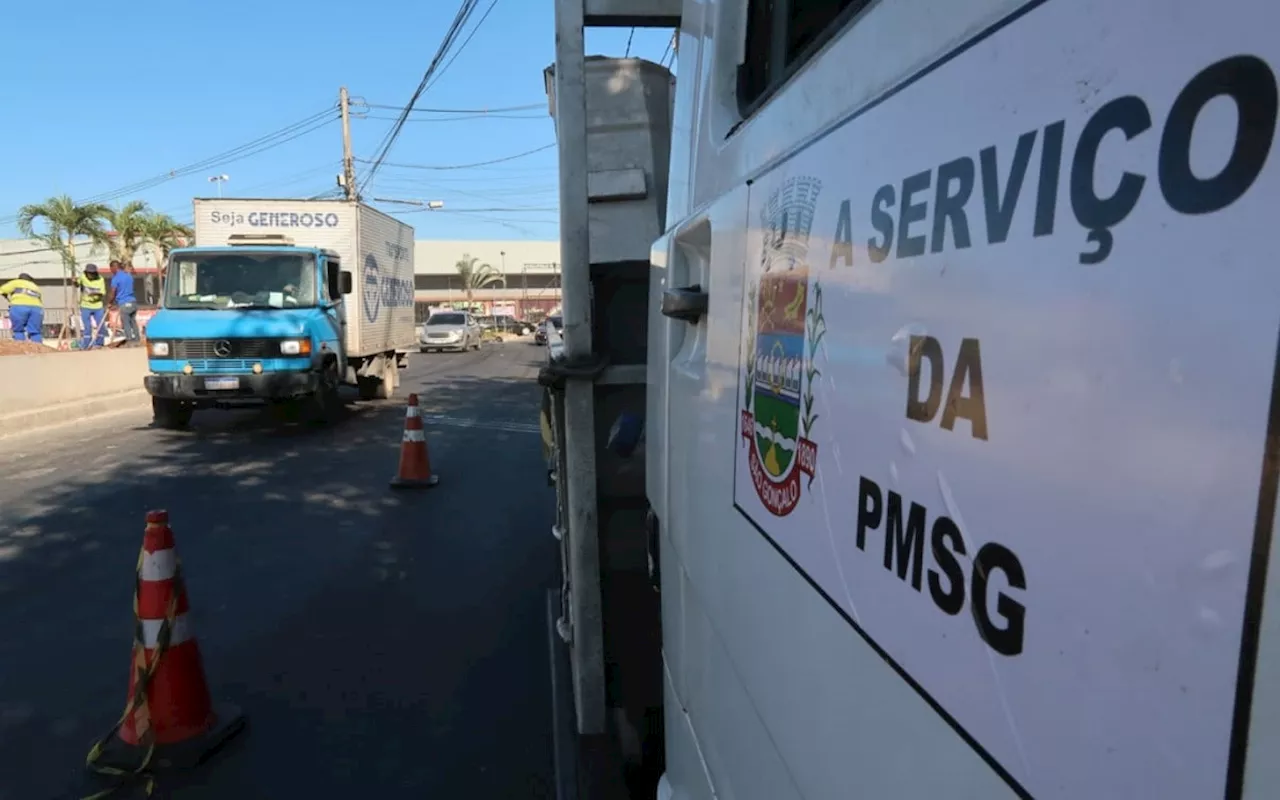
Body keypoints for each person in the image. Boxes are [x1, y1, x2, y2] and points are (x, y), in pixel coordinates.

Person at [0, 272, 45, 343]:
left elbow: (2, 290)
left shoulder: (15, 282)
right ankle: (38, 348)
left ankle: (20, 348)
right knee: (35, 332)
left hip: (19, 307)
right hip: (37, 308)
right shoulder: (35, 286)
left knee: (18, 330)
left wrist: (6, 295)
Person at [108, 260, 140, 345]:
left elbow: (113, 292)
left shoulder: (116, 278)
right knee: (133, 321)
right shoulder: (129, 276)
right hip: (133, 302)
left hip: (124, 303)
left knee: (126, 322)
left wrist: (110, 302)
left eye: (111, 269)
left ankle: (129, 340)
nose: (111, 271)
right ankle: (137, 339)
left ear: (114, 267)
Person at [78, 263, 108, 349]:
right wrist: (74, 282)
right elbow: (77, 283)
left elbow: (102, 293)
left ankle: (99, 343)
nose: (90, 275)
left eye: (92, 273)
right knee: (87, 326)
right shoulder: (82, 277)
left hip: (98, 306)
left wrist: (95, 293)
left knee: (100, 325)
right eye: (89, 273)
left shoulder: (100, 279)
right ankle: (86, 344)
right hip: (85, 305)